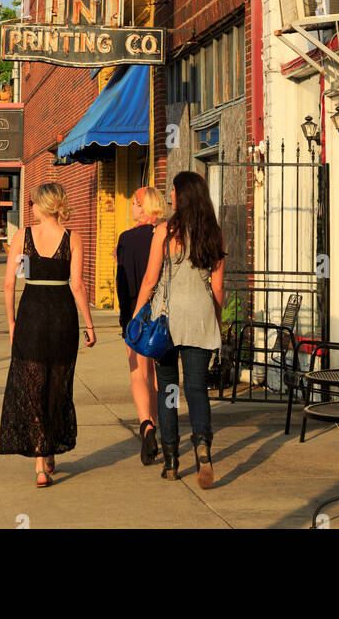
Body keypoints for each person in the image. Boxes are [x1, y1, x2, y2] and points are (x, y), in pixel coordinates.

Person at [0, 182, 96, 487]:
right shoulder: (73, 238)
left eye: (32, 204)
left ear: (43, 205)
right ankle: (49, 446)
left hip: (31, 315)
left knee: (32, 386)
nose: (31, 208)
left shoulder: (22, 236)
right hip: (63, 315)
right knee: (58, 385)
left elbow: (9, 284)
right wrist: (89, 324)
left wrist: (12, 322)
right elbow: (78, 285)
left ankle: (41, 462)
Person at [132, 171, 224, 488]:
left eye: (172, 190)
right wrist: (217, 319)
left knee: (169, 389)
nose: (170, 195)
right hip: (200, 317)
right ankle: (203, 450)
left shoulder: (164, 232)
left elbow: (149, 280)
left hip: (166, 322)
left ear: (180, 195)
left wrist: (135, 318)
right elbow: (218, 288)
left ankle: (171, 460)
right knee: (197, 390)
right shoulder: (214, 234)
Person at [116, 186, 166, 464]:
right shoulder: (169, 235)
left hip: (136, 310)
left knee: (138, 372)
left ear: (142, 207)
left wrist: (126, 316)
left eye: (134, 204)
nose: (131, 209)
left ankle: (146, 423)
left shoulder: (126, 239)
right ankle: (159, 423)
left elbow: (122, 285)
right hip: (163, 312)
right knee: (160, 374)